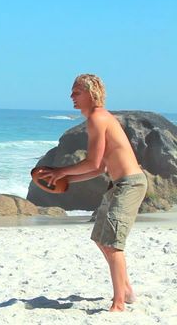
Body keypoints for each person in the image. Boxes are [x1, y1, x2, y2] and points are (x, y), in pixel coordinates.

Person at [39, 74, 147, 312]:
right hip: (118, 185)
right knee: (101, 239)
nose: (71, 97)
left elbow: (91, 161)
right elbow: (98, 168)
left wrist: (61, 170)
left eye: (76, 92)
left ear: (90, 93)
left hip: (130, 184)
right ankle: (126, 289)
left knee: (112, 243)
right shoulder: (98, 118)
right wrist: (65, 178)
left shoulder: (98, 118)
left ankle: (119, 303)